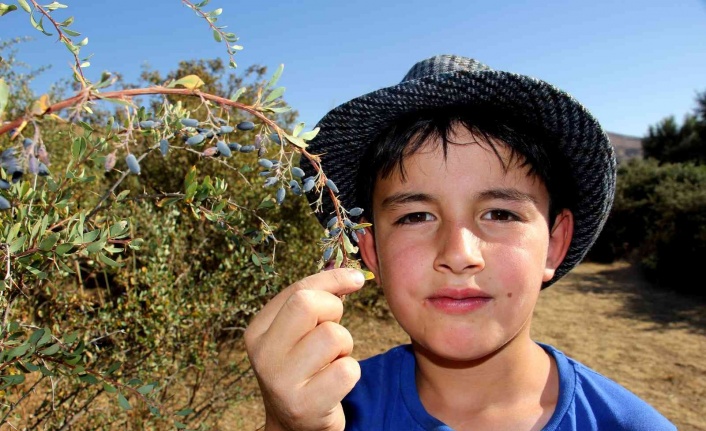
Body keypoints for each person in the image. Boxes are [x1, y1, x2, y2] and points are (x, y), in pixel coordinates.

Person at [244, 55, 677, 431]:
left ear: (554, 243)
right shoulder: (324, 414)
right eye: (415, 216)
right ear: (370, 250)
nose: (458, 254)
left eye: (501, 214)